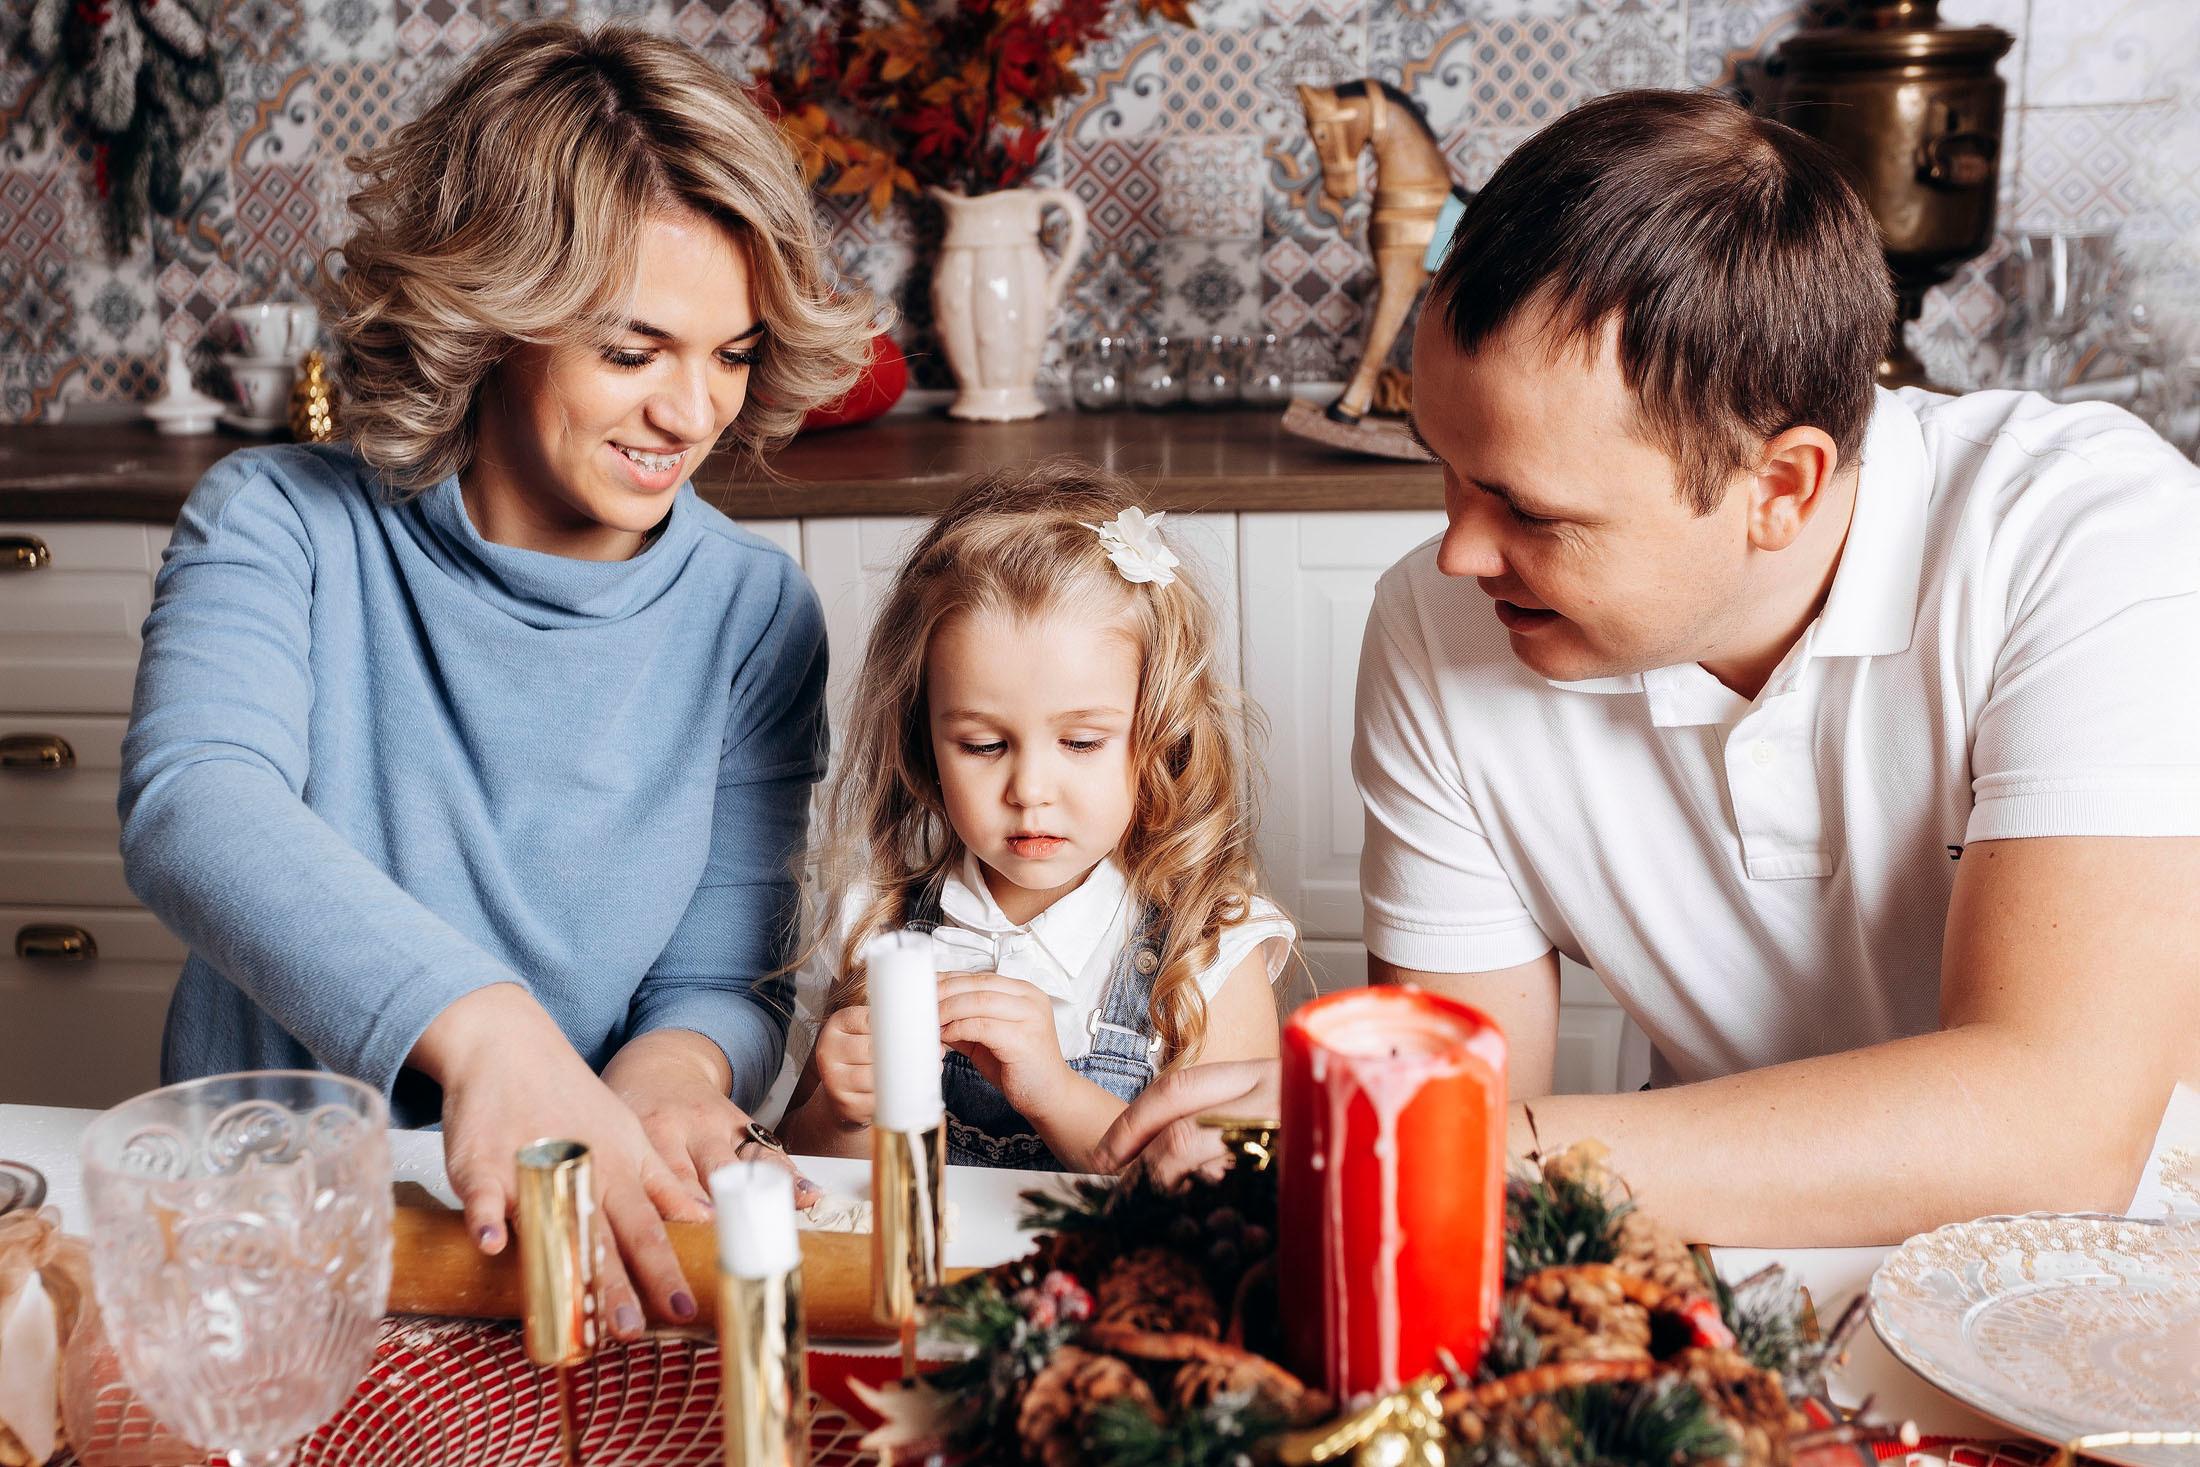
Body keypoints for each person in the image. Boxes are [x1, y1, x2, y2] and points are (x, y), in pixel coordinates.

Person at [1097, 89, 2200, 1245]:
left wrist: (1421, 1130)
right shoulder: (1438, 623)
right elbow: (1457, 1112)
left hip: (2125, 1282)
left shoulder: (2091, 538)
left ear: (1781, 488)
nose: (1460, 551)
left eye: (1529, 508)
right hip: (1696, 1250)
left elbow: (2058, 1124)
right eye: (1448, 470)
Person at [119, 23, 874, 1335]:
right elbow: (195, 800)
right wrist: (491, 1033)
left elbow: (722, 978)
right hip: (277, 1236)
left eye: (732, 353)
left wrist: (659, 1080)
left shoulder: (756, 613)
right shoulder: (279, 523)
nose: (693, 414)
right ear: (494, 319)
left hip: (575, 1228)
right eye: (633, 350)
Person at [772, 464, 1293, 1171]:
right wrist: (839, 1109)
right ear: (925, 741)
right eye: (984, 744)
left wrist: (1052, 1090)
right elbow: (811, 1170)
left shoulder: (1209, 948)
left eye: (1080, 742)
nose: (1030, 789)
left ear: (1158, 731)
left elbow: (1225, 1199)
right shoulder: (880, 921)